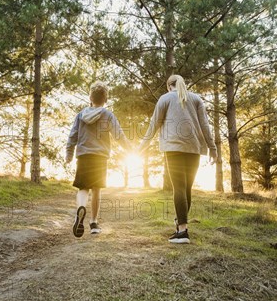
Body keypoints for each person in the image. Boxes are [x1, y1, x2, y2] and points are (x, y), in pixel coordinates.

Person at [139, 75, 217, 244]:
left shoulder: (165, 98)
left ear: (169, 86)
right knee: (186, 188)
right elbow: (205, 126)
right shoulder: (196, 99)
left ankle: (182, 231)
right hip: (194, 148)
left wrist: (141, 146)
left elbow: (154, 125)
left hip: (173, 148)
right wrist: (213, 148)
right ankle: (181, 225)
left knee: (179, 188)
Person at [66, 81, 131, 238]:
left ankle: (81, 208)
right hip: (100, 157)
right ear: (105, 99)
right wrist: (130, 148)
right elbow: (118, 135)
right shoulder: (108, 115)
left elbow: (72, 136)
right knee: (96, 189)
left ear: (90, 97)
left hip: (83, 155)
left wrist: (69, 154)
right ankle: (93, 223)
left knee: (83, 188)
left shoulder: (81, 115)